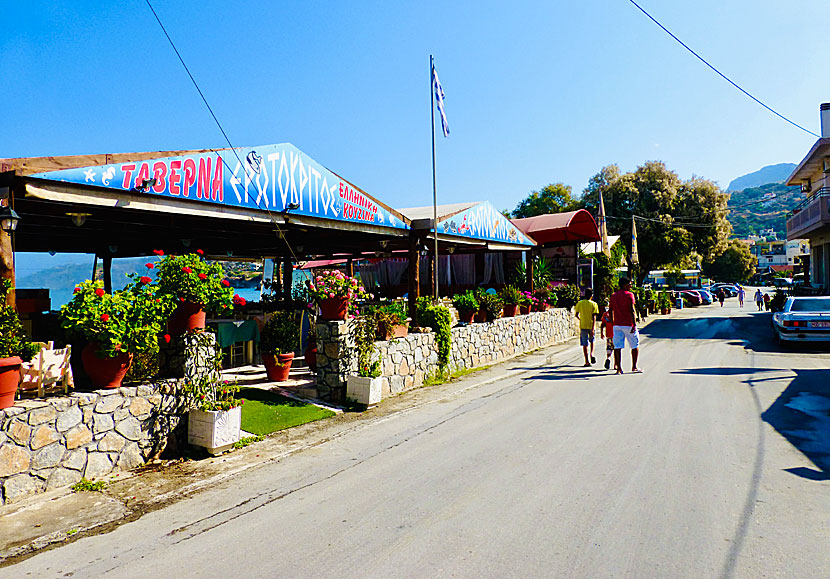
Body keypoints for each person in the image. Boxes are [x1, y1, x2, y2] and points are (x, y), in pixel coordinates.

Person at [609, 277, 641, 374]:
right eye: (629, 284)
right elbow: (632, 310)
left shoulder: (613, 296)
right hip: (628, 324)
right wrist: (634, 324)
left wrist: (612, 322)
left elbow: (610, 310)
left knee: (617, 347)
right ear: (624, 285)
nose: (631, 286)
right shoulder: (629, 295)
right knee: (634, 345)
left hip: (617, 324)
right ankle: (634, 366)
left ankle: (619, 368)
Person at [574, 288, 599, 366]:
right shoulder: (594, 304)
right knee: (592, 341)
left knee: (584, 344)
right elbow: (594, 317)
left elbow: (576, 315)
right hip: (591, 325)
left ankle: (586, 361)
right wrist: (593, 328)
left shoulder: (580, 303)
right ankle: (592, 353)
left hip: (583, 325)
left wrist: (581, 319)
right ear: (591, 296)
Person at [599, 304, 614, 370]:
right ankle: (616, 365)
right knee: (616, 349)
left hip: (608, 334)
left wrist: (601, 333)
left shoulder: (605, 314)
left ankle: (608, 358)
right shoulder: (616, 314)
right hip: (616, 334)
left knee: (609, 348)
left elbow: (602, 324)